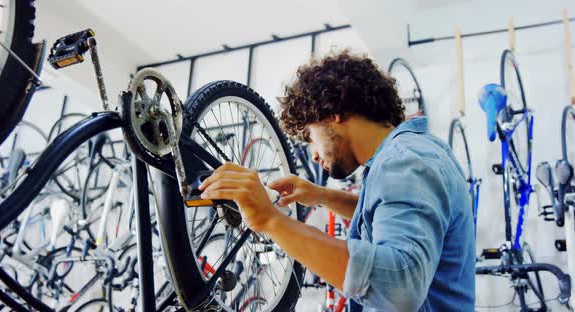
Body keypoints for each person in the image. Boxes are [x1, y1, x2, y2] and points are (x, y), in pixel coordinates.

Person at [199, 50, 475, 311]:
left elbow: (399, 287)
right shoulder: (409, 155)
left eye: (310, 137)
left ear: (333, 112)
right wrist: (323, 196)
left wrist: (269, 220)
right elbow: (390, 218)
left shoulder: (404, 162)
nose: (314, 154)